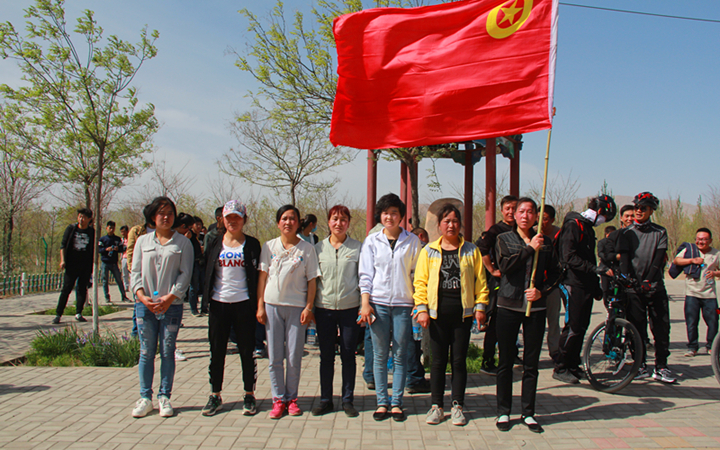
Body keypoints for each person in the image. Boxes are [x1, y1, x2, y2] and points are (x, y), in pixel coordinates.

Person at [414, 204, 488, 426]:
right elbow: (420, 282)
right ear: (439, 225)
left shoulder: (471, 250)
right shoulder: (429, 251)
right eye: (446, 221)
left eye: (455, 221)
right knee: (437, 363)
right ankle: (436, 406)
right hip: (437, 315)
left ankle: (457, 405)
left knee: (458, 361)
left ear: (460, 224)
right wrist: (422, 309)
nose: (451, 225)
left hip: (462, 316)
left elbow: (480, 282)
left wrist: (481, 307)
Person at [494, 198, 559, 433]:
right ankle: (503, 411)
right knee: (505, 361)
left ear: (536, 216)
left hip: (535, 308)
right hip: (508, 306)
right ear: (514, 215)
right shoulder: (504, 239)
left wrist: (542, 291)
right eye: (521, 211)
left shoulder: (546, 242)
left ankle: (528, 413)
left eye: (530, 212)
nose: (525, 215)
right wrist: (530, 248)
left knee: (531, 363)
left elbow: (556, 273)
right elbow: (506, 267)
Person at [359, 193, 423, 422]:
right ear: (380, 215)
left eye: (394, 213)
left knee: (400, 354)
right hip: (378, 304)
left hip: (403, 305)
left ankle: (396, 402)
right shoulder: (372, 241)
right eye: (385, 213)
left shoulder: (412, 241)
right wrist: (365, 303)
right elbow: (366, 274)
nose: (389, 217)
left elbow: (417, 275)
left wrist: (419, 304)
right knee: (379, 355)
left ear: (401, 216)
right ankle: (381, 402)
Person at [130, 197, 193, 418]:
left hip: (171, 306)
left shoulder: (183, 243)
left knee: (167, 351)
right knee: (146, 351)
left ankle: (164, 396)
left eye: (170, 213)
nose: (166, 217)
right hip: (145, 306)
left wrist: (170, 297)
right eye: (161, 213)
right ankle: (145, 398)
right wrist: (142, 297)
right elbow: (135, 272)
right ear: (152, 216)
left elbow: (185, 274)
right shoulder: (142, 242)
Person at [257, 205, 320, 419]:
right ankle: (278, 399)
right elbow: (262, 278)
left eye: (292, 218)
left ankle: (292, 399)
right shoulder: (269, 246)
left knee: (294, 356)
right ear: (278, 223)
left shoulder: (307, 249)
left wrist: (308, 307)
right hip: (272, 305)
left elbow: (312, 280)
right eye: (284, 218)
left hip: (296, 308)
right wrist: (260, 306)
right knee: (275, 356)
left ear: (298, 223)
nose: (288, 222)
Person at [201, 200, 261, 417]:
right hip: (219, 304)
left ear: (244, 219)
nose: (233, 221)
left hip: (244, 304)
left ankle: (249, 394)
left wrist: (259, 305)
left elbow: (258, 275)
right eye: (229, 217)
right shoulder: (214, 242)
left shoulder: (252, 244)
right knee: (217, 351)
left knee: (247, 351)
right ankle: (215, 394)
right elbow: (206, 270)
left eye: (237, 217)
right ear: (222, 220)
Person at [553, 195, 617, 385]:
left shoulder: (587, 227)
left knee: (581, 326)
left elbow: (589, 259)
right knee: (573, 327)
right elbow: (568, 257)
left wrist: (595, 286)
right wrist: (595, 269)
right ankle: (561, 367)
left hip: (585, 284)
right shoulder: (573, 225)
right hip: (571, 283)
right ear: (600, 211)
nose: (604, 221)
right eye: (605, 217)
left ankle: (573, 365)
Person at [617, 192, 676, 383]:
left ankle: (661, 366)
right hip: (634, 289)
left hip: (654, 287)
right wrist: (627, 279)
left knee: (661, 328)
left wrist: (649, 280)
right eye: (636, 207)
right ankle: (640, 365)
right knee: (636, 329)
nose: (638, 211)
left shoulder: (660, 232)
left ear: (651, 211)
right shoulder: (626, 232)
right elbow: (624, 260)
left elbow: (659, 260)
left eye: (643, 208)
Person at [311, 205, 362, 417]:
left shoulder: (358, 248)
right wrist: (310, 308)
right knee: (326, 356)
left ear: (348, 223)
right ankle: (326, 400)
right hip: (324, 309)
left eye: (343, 219)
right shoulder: (318, 249)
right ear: (328, 222)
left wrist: (363, 306)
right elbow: (313, 281)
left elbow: (363, 279)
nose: (338, 223)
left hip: (350, 308)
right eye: (334, 219)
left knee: (348, 354)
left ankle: (348, 400)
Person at [475, 195, 518, 375]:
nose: (511, 212)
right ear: (501, 210)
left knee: (514, 323)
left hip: (517, 283)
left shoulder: (521, 229)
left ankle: (512, 354)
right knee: (496, 323)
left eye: (514, 208)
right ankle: (488, 360)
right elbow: (482, 248)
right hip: (500, 283)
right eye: (508, 208)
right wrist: (492, 270)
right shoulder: (496, 230)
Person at [672, 228, 719, 357]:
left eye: (704, 239)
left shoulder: (716, 254)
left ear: (710, 241)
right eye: (698, 239)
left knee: (713, 322)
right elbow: (676, 260)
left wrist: (715, 273)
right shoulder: (690, 250)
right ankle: (692, 347)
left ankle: (711, 346)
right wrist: (692, 260)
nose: (700, 242)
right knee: (691, 322)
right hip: (692, 293)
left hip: (710, 295)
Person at [53, 208, 95, 324]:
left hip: (85, 265)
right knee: (66, 289)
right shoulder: (71, 229)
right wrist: (63, 260)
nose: (81, 219)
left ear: (89, 219)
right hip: (71, 264)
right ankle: (58, 314)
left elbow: (93, 249)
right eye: (80, 216)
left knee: (82, 289)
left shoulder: (91, 232)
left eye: (84, 217)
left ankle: (78, 313)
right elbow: (63, 245)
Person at [538, 205, 562, 363]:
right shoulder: (533, 234)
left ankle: (555, 350)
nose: (541, 222)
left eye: (545, 219)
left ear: (552, 220)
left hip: (552, 284)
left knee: (553, 320)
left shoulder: (560, 234)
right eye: (538, 218)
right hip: (535, 284)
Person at [98, 221, 128, 303]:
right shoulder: (102, 239)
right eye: (110, 228)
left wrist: (118, 249)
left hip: (114, 263)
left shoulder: (117, 239)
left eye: (113, 228)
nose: (111, 230)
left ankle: (124, 296)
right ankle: (107, 297)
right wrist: (106, 249)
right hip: (105, 262)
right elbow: (99, 250)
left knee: (119, 279)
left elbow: (123, 248)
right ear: (106, 228)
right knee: (105, 280)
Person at [120, 225, 130, 292]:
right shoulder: (122, 240)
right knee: (124, 273)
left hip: (130, 257)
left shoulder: (131, 239)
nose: (123, 233)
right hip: (124, 258)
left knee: (131, 273)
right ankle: (126, 286)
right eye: (121, 232)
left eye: (124, 231)